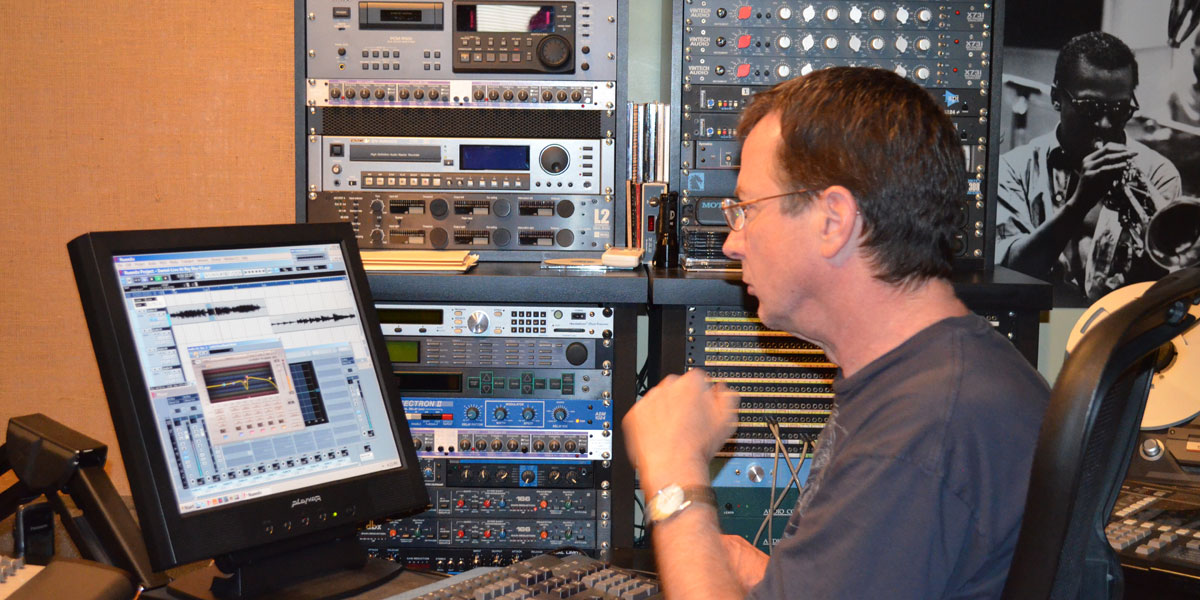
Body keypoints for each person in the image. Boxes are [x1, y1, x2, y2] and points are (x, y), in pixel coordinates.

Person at [622, 67, 1050, 599]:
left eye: (747, 210)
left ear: (833, 220)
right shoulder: (941, 381)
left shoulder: (920, 438)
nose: (732, 243)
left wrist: (674, 472)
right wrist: (765, 577)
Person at [996, 31, 1181, 305]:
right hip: (1039, 321)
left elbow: (1165, 284)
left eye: (1119, 109)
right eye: (1090, 108)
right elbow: (1010, 272)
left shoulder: (1157, 172)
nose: (1105, 124)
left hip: (1119, 324)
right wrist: (1079, 204)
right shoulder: (1014, 168)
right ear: (1056, 97)